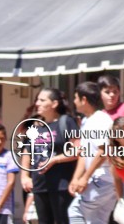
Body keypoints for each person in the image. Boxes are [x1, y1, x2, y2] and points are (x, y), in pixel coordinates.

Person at [19, 88, 79, 224]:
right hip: (40, 185)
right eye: (37, 100)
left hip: (61, 185)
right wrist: (25, 176)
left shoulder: (66, 122)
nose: (37, 103)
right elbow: (27, 151)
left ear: (54, 104)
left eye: (42, 100)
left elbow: (77, 150)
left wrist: (54, 160)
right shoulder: (36, 125)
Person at [68, 81, 117, 224]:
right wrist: (76, 178)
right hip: (99, 179)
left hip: (104, 179)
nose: (74, 102)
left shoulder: (101, 120)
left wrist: (85, 177)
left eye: (76, 98)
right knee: (96, 220)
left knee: (76, 211)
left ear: (84, 100)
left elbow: (104, 150)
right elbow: (84, 152)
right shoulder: (86, 121)